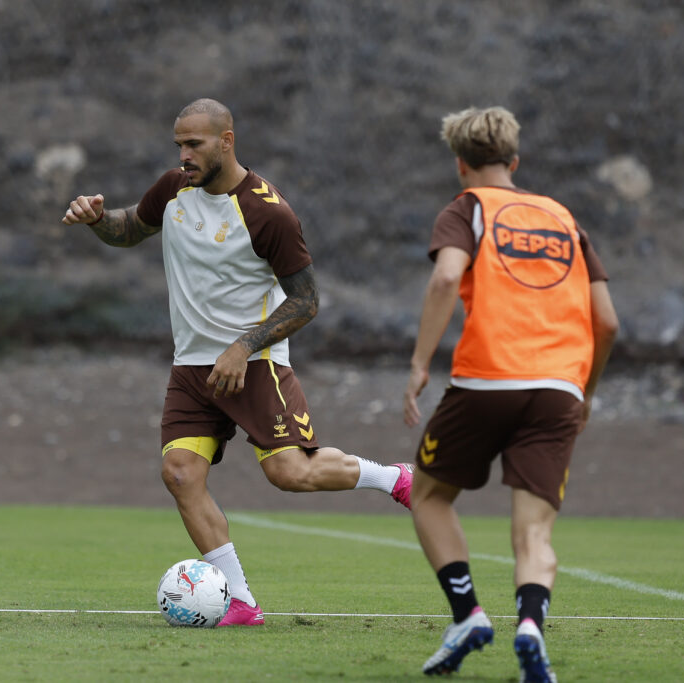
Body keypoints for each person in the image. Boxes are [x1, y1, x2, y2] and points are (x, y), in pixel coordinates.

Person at [63, 98, 413, 626]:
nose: (184, 155)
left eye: (194, 144)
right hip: (191, 368)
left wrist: (242, 347)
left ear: (227, 141)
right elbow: (131, 226)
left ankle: (393, 478)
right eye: (178, 144)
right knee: (180, 474)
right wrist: (95, 220)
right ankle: (243, 603)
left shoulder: (268, 212)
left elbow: (306, 302)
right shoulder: (174, 187)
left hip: (255, 363)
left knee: (289, 473)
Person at [404, 107, 618, 681]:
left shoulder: (467, 207)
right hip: (558, 390)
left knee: (428, 496)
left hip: (487, 379)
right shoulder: (564, 218)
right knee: (534, 529)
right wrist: (585, 392)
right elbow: (608, 322)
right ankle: (530, 626)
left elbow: (448, 276)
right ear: (515, 162)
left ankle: (467, 613)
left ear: (460, 164)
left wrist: (421, 363)